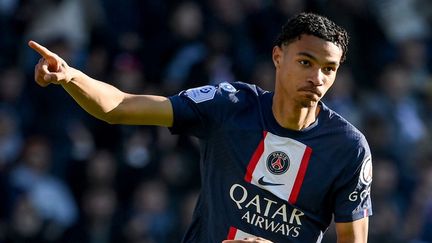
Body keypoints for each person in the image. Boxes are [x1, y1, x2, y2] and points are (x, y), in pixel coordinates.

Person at [29, 12, 372, 243]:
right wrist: (71, 76)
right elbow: (118, 106)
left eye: (329, 68)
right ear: (277, 57)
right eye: (305, 62)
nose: (317, 77)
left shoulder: (348, 148)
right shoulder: (230, 105)